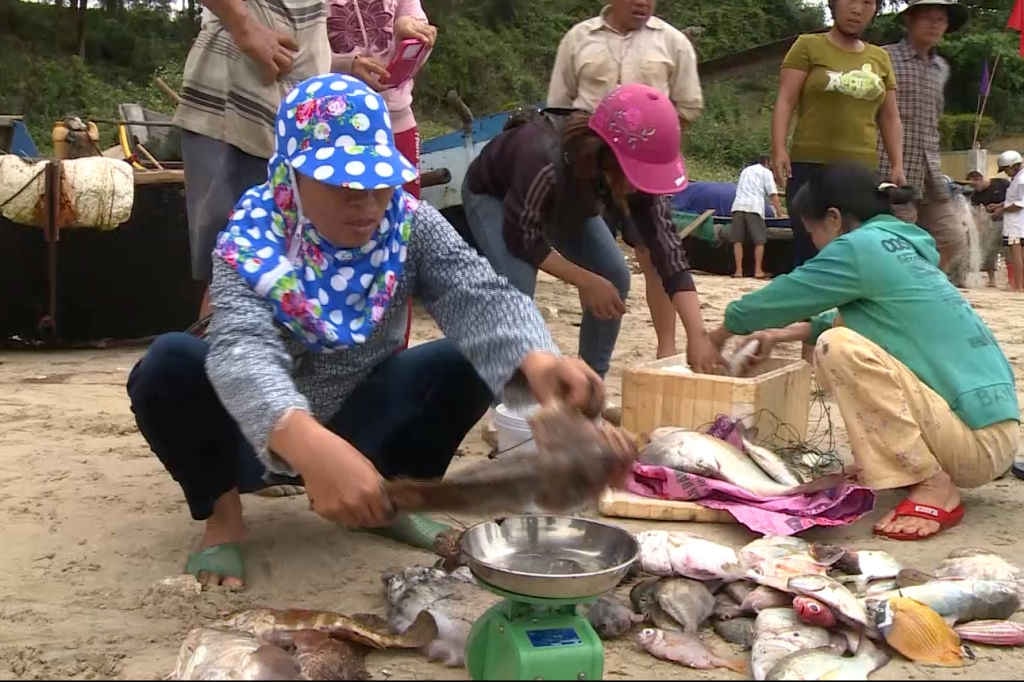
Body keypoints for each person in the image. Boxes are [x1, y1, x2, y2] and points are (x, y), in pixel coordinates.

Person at [126, 74, 607, 590]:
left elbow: (478, 296)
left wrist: (540, 363)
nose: (368, 204)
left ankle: (392, 498)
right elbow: (242, 352)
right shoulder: (251, 241)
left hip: (359, 416)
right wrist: (307, 444)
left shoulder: (409, 225)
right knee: (168, 365)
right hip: (254, 430)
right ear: (292, 177)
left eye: (379, 184)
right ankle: (223, 515)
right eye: (343, 187)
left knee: (465, 358)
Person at [708, 163, 1020, 541]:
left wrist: (717, 335)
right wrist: (780, 335)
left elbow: (780, 297)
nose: (816, 244)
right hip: (993, 432)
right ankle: (904, 462)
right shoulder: (900, 247)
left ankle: (933, 484)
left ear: (834, 219)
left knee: (838, 349)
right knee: (843, 338)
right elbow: (863, 319)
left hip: (975, 445)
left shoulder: (859, 248)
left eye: (813, 233)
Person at [462, 84, 723, 382]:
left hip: (569, 204)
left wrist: (697, 334)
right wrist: (584, 280)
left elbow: (669, 253)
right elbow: (521, 236)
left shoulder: (635, 179)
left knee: (614, 275)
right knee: (518, 284)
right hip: (496, 198)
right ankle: (508, 399)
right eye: (638, 177)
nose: (641, 188)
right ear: (606, 157)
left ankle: (590, 383)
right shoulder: (543, 157)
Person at [547, 0, 703, 360]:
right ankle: (595, 356)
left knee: (655, 252)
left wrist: (651, 137)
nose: (643, 2)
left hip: (645, 167)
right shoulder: (578, 38)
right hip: (590, 167)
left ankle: (666, 349)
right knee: (598, 262)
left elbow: (690, 105)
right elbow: (559, 104)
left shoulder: (672, 42)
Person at [175, 0, 332, 319]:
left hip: (302, 116)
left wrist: (344, 66)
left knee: (294, 263)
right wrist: (243, 25)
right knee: (233, 266)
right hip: (236, 105)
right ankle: (223, 364)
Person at [771, 0, 906, 268]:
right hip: (812, 166)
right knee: (810, 249)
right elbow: (786, 100)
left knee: (857, 251)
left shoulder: (879, 58)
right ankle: (806, 309)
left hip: (861, 171)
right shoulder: (808, 45)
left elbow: (890, 116)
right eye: (850, 0)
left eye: (867, 3)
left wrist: (897, 164)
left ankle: (846, 312)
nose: (857, 9)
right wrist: (779, 148)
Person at [878, 0, 970, 286]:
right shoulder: (884, 57)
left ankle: (917, 285)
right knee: (898, 237)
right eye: (927, 17)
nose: (934, 24)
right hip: (890, 164)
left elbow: (934, 119)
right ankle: (895, 292)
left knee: (952, 237)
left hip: (930, 167)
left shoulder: (941, 68)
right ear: (909, 20)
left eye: (940, 19)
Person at [326, 0, 438, 199]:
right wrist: (347, 66)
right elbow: (302, 55)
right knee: (349, 213)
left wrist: (407, 27)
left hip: (397, 119)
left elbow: (423, 36)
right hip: (337, 125)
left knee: (406, 210)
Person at [729, 155, 785, 279]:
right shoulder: (766, 172)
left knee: (737, 240)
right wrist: (780, 214)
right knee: (759, 241)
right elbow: (773, 194)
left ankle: (738, 271)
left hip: (738, 206)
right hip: (754, 207)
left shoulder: (745, 171)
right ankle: (758, 271)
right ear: (767, 162)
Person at [967, 169, 1010, 288]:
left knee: (1010, 251)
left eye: (974, 185)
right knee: (990, 250)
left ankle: (1012, 279)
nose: (974, 188)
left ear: (980, 179)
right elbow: (975, 213)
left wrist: (1000, 207)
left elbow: (1016, 198)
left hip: (1010, 220)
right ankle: (992, 280)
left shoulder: (1001, 183)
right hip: (992, 223)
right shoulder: (976, 195)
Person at [991, 150, 1024, 293]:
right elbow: (1012, 200)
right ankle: (1019, 284)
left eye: (1006, 169)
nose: (1006, 173)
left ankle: (1018, 286)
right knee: (1018, 256)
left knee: (1017, 257)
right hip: (1016, 224)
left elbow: (1020, 204)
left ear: (1013, 165)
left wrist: (1001, 211)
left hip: (1017, 226)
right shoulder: (1017, 179)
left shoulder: (1022, 180)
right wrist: (999, 205)